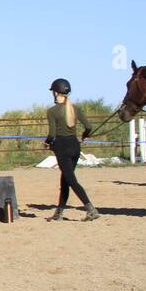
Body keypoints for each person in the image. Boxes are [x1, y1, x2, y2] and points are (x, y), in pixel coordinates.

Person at [44, 78, 99, 221]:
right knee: (65, 180)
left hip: (62, 148)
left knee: (72, 181)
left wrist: (47, 142)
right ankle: (59, 213)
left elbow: (51, 134)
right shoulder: (75, 108)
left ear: (56, 93)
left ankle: (90, 208)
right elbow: (89, 127)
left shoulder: (52, 111)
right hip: (75, 146)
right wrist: (84, 136)